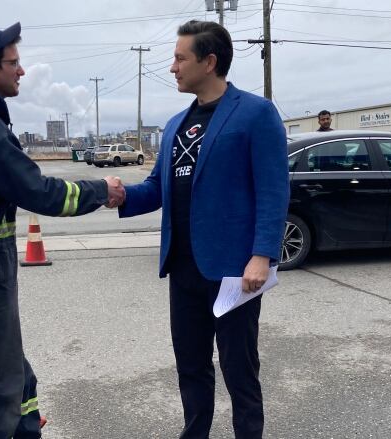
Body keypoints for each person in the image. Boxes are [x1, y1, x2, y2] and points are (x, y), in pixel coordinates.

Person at [0, 23, 124, 439]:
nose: (21, 71)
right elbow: (41, 191)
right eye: (13, 63)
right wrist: (101, 190)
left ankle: (25, 429)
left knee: (11, 371)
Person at [117, 20, 289, 438]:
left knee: (239, 368)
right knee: (190, 366)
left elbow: (273, 189)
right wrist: (119, 195)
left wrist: (262, 255)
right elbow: (158, 187)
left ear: (209, 62)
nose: (172, 66)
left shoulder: (255, 113)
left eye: (180, 57)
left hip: (234, 272)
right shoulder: (176, 123)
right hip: (184, 267)